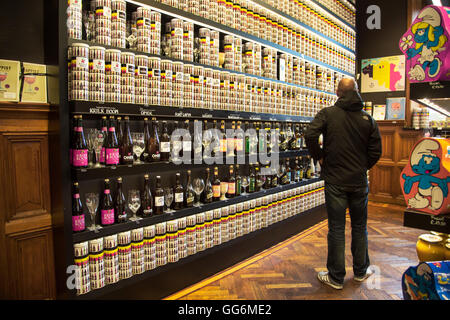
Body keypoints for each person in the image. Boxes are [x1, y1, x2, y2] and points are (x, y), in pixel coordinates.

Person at [305, 78, 382, 290]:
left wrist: (320, 157)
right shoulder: (368, 118)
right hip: (358, 181)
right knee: (359, 226)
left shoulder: (328, 114)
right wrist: (362, 166)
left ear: (337, 92)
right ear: (356, 91)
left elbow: (310, 134)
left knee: (336, 228)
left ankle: (336, 277)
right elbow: (377, 151)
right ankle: (360, 271)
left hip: (335, 181)